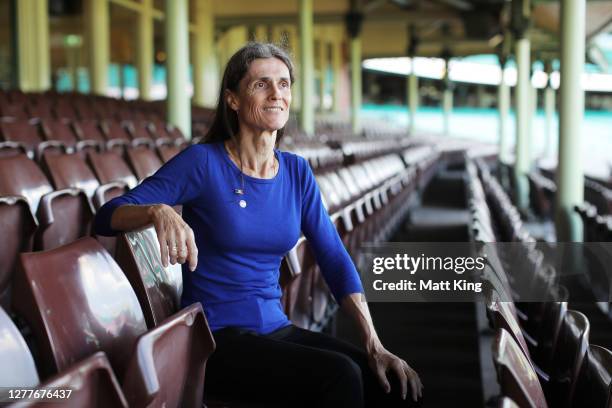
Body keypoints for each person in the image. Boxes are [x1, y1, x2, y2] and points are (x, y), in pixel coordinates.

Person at [95, 42, 423, 407]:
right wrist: (157, 210)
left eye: (284, 84)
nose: (276, 95)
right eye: (261, 84)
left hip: (275, 329)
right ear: (233, 100)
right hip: (217, 340)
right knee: (340, 376)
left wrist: (374, 344)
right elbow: (107, 215)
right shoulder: (203, 162)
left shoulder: (297, 172)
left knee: (390, 383)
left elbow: (333, 257)